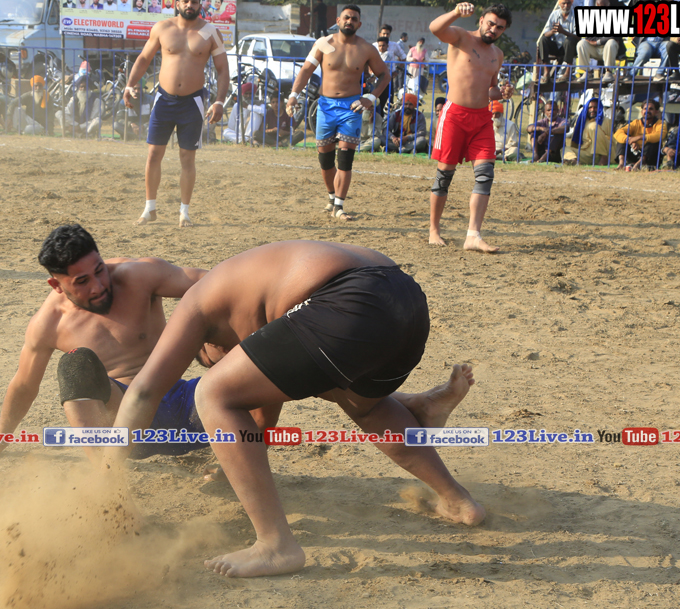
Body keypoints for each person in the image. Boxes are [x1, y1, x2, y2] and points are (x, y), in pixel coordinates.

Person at [107, 240, 484, 579]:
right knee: (362, 405)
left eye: (211, 360)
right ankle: (456, 498)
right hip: (406, 300)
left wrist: (106, 473)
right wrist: (234, 463)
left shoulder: (197, 304)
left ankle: (275, 544)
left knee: (213, 393)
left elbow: (143, 392)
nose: (223, 361)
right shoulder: (251, 290)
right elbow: (264, 413)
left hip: (350, 298)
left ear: (208, 345)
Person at [0, 223, 212, 461]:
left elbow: (221, 284)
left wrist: (212, 338)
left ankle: (234, 457)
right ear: (56, 285)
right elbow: (24, 386)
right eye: (82, 281)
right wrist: (0, 439)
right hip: (128, 426)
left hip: (189, 403)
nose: (98, 286)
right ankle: (106, 479)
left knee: (236, 343)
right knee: (76, 364)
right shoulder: (49, 323)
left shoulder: (139, 276)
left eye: (100, 270)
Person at [122, 0, 228, 227]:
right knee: (153, 154)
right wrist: (129, 85)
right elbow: (143, 59)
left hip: (193, 103)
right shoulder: (162, 28)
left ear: (200, 5)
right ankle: (149, 208)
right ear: (177, 3)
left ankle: (184, 212)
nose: (190, 5)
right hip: (164, 100)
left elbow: (222, 69)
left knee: (187, 158)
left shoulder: (211, 32)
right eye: (185, 1)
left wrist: (219, 101)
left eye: (194, 1)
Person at [285, 5, 391, 221]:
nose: (349, 21)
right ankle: (332, 197)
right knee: (325, 159)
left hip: (351, 107)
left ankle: (339, 206)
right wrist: (293, 95)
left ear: (359, 24)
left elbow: (385, 75)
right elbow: (306, 70)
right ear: (338, 20)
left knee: (345, 157)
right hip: (325, 106)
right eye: (346, 17)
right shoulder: (323, 44)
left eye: (354, 19)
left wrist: (371, 97)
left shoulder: (366, 49)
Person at [428, 2, 514, 252]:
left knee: (486, 175)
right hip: (454, 116)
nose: (493, 29)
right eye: (491, 23)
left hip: (482, 119)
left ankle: (473, 236)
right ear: (481, 20)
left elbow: (491, 88)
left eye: (500, 27)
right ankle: (434, 230)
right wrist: (456, 12)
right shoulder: (460, 37)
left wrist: (503, 93)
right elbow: (435, 28)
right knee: (444, 176)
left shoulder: (497, 54)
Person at [574, 0, 623, 82]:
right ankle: (587, 72)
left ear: (609, 5)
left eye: (604, 6)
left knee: (611, 42)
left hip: (609, 50)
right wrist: (599, 40)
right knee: (581, 43)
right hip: (595, 49)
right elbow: (588, 37)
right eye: (600, 6)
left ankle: (608, 72)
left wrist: (598, 42)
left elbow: (614, 37)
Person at [614, 99, 664, 170]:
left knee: (653, 141)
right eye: (645, 109)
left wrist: (639, 138)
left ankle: (639, 164)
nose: (647, 111)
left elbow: (659, 136)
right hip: (635, 153)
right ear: (642, 111)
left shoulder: (660, 124)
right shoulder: (636, 123)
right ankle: (621, 164)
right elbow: (618, 133)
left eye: (651, 109)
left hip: (650, 157)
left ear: (656, 112)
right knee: (622, 139)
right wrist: (631, 141)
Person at [563, 96, 612, 166]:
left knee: (593, 126)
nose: (593, 110)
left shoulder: (606, 121)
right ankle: (574, 161)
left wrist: (598, 134)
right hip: (586, 153)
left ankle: (603, 158)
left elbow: (611, 140)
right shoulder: (582, 121)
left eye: (595, 107)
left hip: (600, 154)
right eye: (590, 107)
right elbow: (575, 138)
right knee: (564, 149)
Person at [537, 0, 578, 83]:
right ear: (559, 4)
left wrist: (563, 31)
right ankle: (546, 72)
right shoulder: (554, 14)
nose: (566, 6)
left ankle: (567, 72)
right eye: (564, 3)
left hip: (569, 48)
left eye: (568, 3)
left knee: (569, 40)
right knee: (543, 39)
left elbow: (578, 37)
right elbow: (546, 33)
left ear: (571, 3)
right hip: (556, 46)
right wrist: (553, 31)